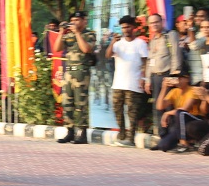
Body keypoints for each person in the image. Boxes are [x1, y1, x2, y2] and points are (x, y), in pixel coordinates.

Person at [105, 15, 149, 147]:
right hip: (118, 83)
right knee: (117, 109)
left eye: (128, 27)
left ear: (133, 27)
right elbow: (107, 56)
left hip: (134, 83)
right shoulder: (118, 44)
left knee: (132, 111)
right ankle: (122, 134)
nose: (125, 29)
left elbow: (146, 62)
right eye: (123, 27)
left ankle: (131, 138)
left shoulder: (140, 43)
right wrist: (112, 42)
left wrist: (144, 78)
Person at [54, 11, 97, 144]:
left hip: (81, 72)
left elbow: (86, 49)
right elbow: (57, 48)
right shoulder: (68, 35)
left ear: (84, 21)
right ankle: (70, 131)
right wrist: (61, 32)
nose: (74, 23)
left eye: (77, 20)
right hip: (69, 72)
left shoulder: (89, 34)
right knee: (67, 103)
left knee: (81, 104)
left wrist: (78, 33)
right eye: (72, 20)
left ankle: (82, 133)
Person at [144, 13, 181, 132]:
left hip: (167, 75)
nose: (154, 25)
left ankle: (171, 135)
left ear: (162, 22)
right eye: (152, 23)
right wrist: (148, 80)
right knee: (157, 107)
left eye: (156, 22)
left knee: (168, 105)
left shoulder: (170, 35)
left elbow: (176, 56)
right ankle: (161, 134)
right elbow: (150, 61)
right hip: (155, 77)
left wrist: (173, 76)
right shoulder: (153, 39)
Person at [150, 71, 204, 152]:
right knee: (163, 146)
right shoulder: (174, 91)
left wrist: (167, 113)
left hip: (194, 120)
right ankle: (178, 142)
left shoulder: (193, 90)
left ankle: (184, 144)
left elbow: (185, 109)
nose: (177, 80)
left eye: (180, 78)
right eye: (175, 78)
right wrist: (164, 88)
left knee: (180, 113)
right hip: (181, 124)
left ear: (187, 79)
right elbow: (159, 106)